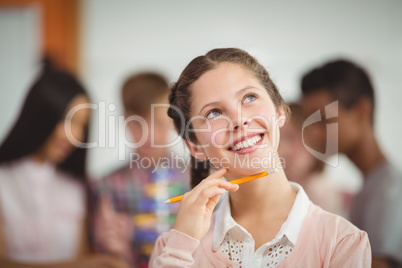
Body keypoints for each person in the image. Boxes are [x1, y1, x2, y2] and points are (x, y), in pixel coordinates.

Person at [149, 48, 371, 267]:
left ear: (279, 111)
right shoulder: (170, 251)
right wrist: (181, 248)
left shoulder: (342, 243)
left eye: (249, 97)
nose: (239, 119)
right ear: (195, 146)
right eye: (214, 113)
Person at [0, 62, 128, 268]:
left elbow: (79, 257)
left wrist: (113, 253)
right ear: (43, 115)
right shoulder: (4, 181)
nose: (76, 136)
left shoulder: (76, 186)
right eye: (68, 121)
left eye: (82, 126)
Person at [300, 59, 402, 267]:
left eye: (324, 120)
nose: (314, 132)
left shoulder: (391, 190)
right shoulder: (370, 185)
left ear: (361, 111)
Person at [93, 72, 189, 267]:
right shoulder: (107, 186)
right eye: (138, 124)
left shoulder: (196, 178)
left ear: (173, 118)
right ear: (125, 121)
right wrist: (118, 253)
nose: (149, 135)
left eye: (159, 122)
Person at [278, 102, 350, 217]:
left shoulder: (318, 190)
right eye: (278, 140)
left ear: (313, 140)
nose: (283, 149)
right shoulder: (285, 191)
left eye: (291, 137)